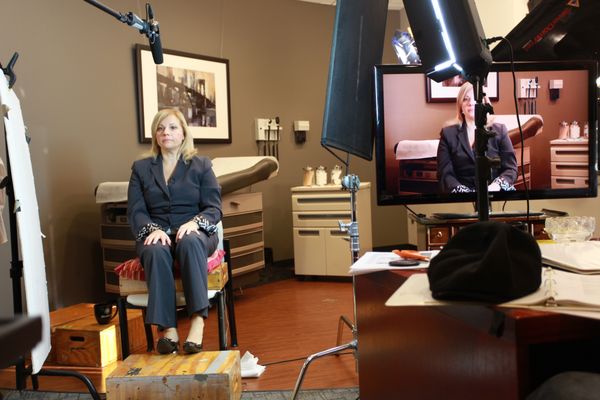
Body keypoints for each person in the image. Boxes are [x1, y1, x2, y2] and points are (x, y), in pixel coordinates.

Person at [127, 108, 222, 354]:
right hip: (156, 232)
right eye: (160, 128)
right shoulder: (141, 168)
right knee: (155, 250)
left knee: (190, 241)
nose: (165, 132)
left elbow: (213, 207)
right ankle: (168, 329)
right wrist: (151, 229)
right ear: (155, 135)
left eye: (172, 127)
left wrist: (196, 222)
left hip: (196, 232)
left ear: (183, 134)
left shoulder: (201, 165)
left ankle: (198, 321)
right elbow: (136, 210)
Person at [437, 81, 518, 193]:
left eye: (475, 98)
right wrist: (463, 192)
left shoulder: (500, 130)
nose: (470, 103)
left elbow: (511, 169)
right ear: (460, 106)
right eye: (465, 99)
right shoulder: (447, 134)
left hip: (494, 194)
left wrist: (495, 186)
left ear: (484, 103)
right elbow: (445, 174)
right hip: (461, 198)